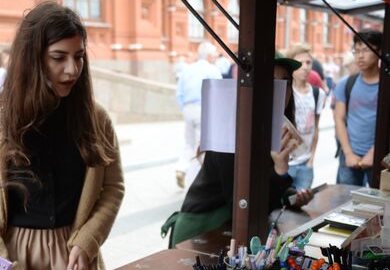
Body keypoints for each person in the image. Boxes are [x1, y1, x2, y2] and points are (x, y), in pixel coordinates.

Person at [0, 1, 124, 270]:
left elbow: (113, 187)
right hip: (14, 255)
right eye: (58, 57)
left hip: (75, 255)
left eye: (79, 57)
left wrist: (88, 240)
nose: (72, 70)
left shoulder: (96, 118)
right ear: (32, 59)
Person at [162, 53, 313, 248]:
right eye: (270, 82)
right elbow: (244, 207)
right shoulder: (232, 132)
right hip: (201, 232)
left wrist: (290, 196)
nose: (280, 91)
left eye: (285, 83)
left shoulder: (268, 128)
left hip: (231, 231)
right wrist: (279, 172)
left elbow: (258, 187)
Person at [334, 29, 382, 186]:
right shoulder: (346, 84)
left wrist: (374, 153)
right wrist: (348, 153)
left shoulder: (386, 86)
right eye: (357, 50)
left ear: (379, 51)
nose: (360, 56)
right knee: (344, 201)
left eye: (366, 50)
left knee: (379, 204)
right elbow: (339, 119)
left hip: (378, 155)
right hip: (349, 154)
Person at [175, 41, 222, 189]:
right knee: (201, 146)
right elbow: (219, 93)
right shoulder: (213, 70)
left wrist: (185, 108)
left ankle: (181, 168)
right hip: (204, 108)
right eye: (214, 55)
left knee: (189, 142)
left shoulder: (187, 70)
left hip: (188, 109)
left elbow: (179, 93)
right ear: (208, 56)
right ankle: (194, 183)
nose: (215, 57)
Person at [286, 44, 326, 190]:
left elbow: (316, 127)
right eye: (300, 63)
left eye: (308, 62)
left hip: (306, 164)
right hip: (287, 163)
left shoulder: (318, 94)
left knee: (301, 206)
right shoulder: (286, 93)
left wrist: (312, 159)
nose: (305, 67)